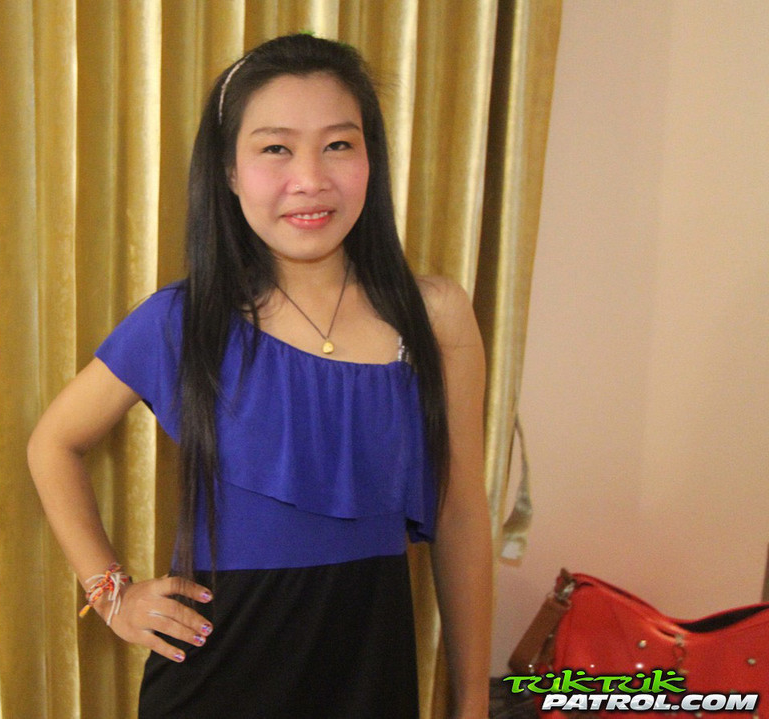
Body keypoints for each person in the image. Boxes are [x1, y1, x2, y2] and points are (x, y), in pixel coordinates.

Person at [28, 34, 491, 718]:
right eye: (276, 148)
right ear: (229, 170)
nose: (310, 179)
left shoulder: (435, 315)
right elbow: (53, 443)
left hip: (371, 680)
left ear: (372, 159)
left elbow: (460, 512)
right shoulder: (183, 320)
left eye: (339, 144)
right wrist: (111, 595)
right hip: (215, 685)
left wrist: (473, 700)